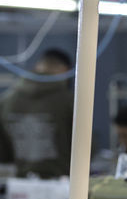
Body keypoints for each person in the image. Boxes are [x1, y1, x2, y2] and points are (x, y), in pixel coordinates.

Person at [0, 48, 74, 178]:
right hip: (62, 187)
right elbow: (86, 149)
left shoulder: (6, 101)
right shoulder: (70, 102)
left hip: (20, 188)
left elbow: (3, 154)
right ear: (65, 70)